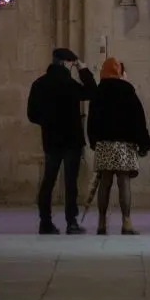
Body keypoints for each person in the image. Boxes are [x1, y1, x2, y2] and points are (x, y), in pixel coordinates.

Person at [27, 48, 97, 235]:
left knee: (48, 181)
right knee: (70, 182)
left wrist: (48, 122)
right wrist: (83, 70)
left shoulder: (39, 84)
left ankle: (45, 221)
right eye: (72, 64)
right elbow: (92, 92)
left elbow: (32, 115)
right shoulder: (70, 84)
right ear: (67, 63)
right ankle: (71, 222)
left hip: (51, 140)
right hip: (71, 140)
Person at [87, 57, 150, 235]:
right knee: (124, 183)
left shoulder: (98, 91)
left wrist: (93, 140)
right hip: (124, 145)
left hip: (105, 144)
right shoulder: (127, 90)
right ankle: (127, 222)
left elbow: (91, 119)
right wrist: (143, 143)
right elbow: (138, 118)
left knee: (105, 182)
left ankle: (101, 223)